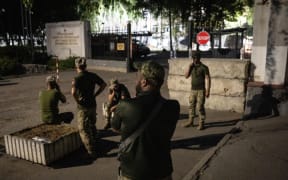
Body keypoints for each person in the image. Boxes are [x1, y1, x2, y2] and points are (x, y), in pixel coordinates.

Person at [111, 61, 180, 180]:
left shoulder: (126, 105)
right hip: (162, 171)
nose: (135, 79)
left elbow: (115, 128)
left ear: (144, 82)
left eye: (137, 76)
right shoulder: (173, 106)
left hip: (133, 173)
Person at [71, 57, 107, 157]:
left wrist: (77, 100)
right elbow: (103, 85)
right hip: (92, 104)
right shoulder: (92, 75)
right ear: (85, 66)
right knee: (92, 124)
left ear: (76, 66)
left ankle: (91, 151)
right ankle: (96, 142)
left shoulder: (77, 78)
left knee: (83, 129)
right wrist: (96, 94)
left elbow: (73, 92)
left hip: (83, 107)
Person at [182, 51, 211, 130]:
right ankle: (190, 121)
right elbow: (186, 76)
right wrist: (189, 67)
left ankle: (201, 123)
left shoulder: (204, 67)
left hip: (201, 90)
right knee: (191, 106)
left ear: (199, 58)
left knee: (200, 107)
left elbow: (208, 79)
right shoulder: (192, 67)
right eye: (193, 58)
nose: (195, 59)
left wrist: (208, 90)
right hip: (193, 90)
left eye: (196, 58)